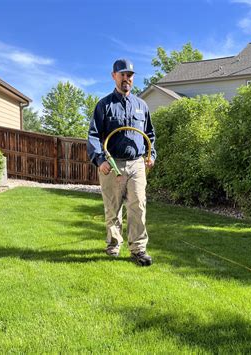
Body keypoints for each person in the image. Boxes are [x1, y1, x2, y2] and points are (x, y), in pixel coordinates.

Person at [87, 58, 156, 267]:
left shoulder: (141, 105)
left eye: (130, 75)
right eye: (122, 74)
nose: (126, 78)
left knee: (138, 206)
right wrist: (100, 159)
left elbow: (150, 135)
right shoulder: (104, 105)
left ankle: (138, 249)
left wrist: (151, 155)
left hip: (136, 164)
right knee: (112, 207)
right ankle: (113, 245)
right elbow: (93, 135)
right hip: (112, 164)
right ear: (114, 76)